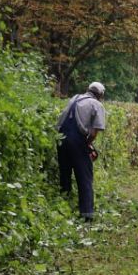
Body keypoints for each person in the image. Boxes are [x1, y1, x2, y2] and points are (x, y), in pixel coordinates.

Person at [56, 82, 107, 221]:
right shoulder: (96, 105)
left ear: (88, 90)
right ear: (101, 95)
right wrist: (88, 144)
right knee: (84, 177)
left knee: (64, 175)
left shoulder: (74, 98)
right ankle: (87, 215)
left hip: (61, 139)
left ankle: (62, 211)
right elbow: (94, 133)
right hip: (78, 140)